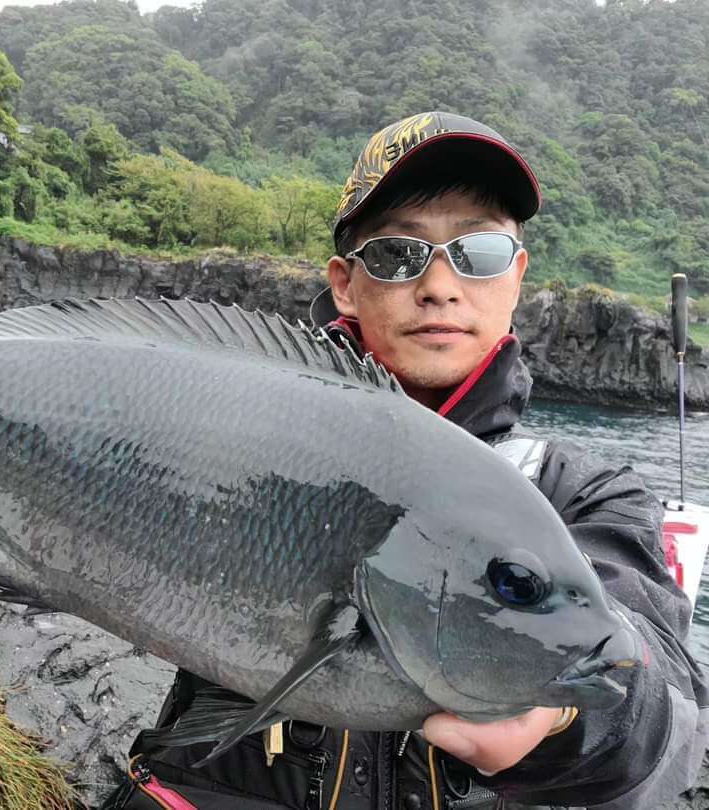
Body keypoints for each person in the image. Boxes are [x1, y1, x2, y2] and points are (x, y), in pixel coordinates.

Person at [101, 112, 708, 810]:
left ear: (517, 278)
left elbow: (667, 717)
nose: (440, 286)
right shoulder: (237, 432)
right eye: (397, 254)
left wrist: (569, 714)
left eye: (477, 252)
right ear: (345, 283)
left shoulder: (587, 496)